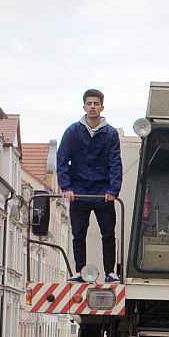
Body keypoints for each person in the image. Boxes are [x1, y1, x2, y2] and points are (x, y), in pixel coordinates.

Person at [56, 89, 123, 282]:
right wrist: (66, 188)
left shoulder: (110, 134)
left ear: (102, 106)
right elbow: (62, 160)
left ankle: (110, 272)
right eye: (89, 103)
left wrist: (113, 190)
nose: (92, 107)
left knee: (108, 233)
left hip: (103, 193)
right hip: (79, 191)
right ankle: (79, 272)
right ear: (84, 106)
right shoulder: (72, 131)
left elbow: (115, 163)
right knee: (78, 234)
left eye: (96, 103)